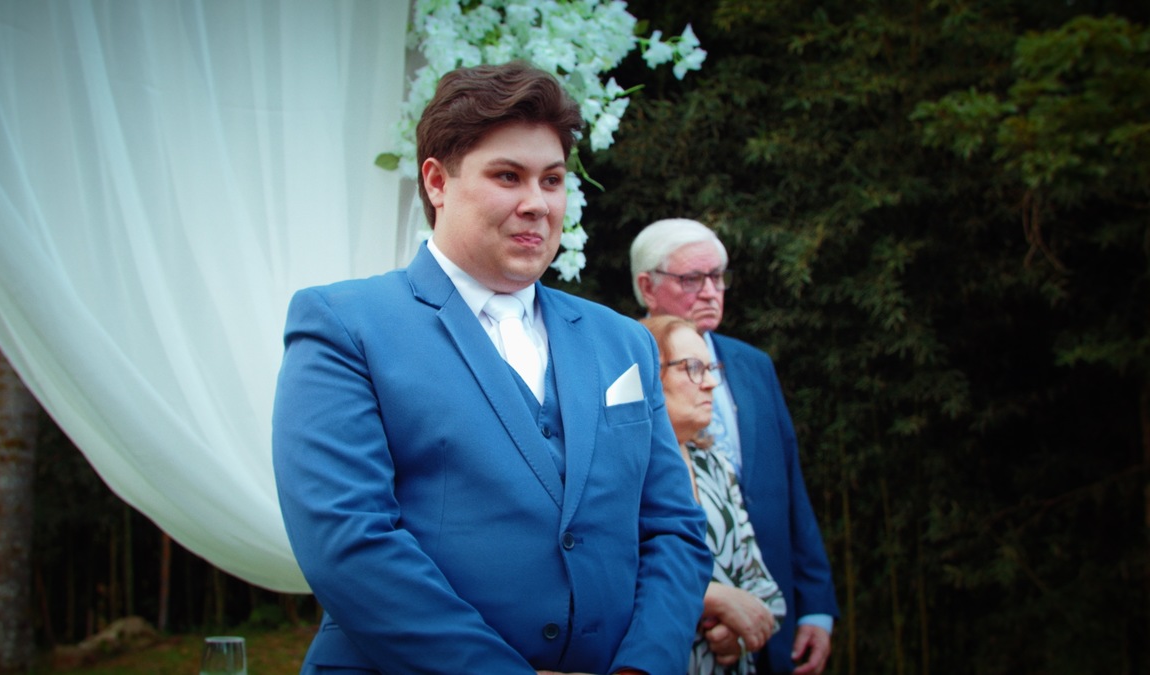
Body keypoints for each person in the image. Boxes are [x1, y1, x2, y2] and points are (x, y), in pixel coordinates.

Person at [272, 62, 712, 674]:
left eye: (552, 180)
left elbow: (674, 529)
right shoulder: (345, 325)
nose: (537, 204)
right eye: (508, 176)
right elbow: (348, 538)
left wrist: (643, 666)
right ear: (437, 182)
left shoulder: (623, 342)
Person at [630, 219, 840, 675]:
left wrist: (816, 604)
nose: (710, 291)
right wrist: (708, 605)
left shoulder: (753, 364)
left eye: (717, 277)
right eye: (692, 278)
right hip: (665, 636)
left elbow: (788, 485)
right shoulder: (619, 366)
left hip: (764, 610)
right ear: (647, 287)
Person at [639, 315, 786, 675]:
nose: (710, 383)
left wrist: (738, 634)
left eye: (711, 369)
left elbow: (765, 589)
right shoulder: (622, 472)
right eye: (692, 368)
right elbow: (605, 584)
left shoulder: (715, 465)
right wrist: (710, 599)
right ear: (649, 374)